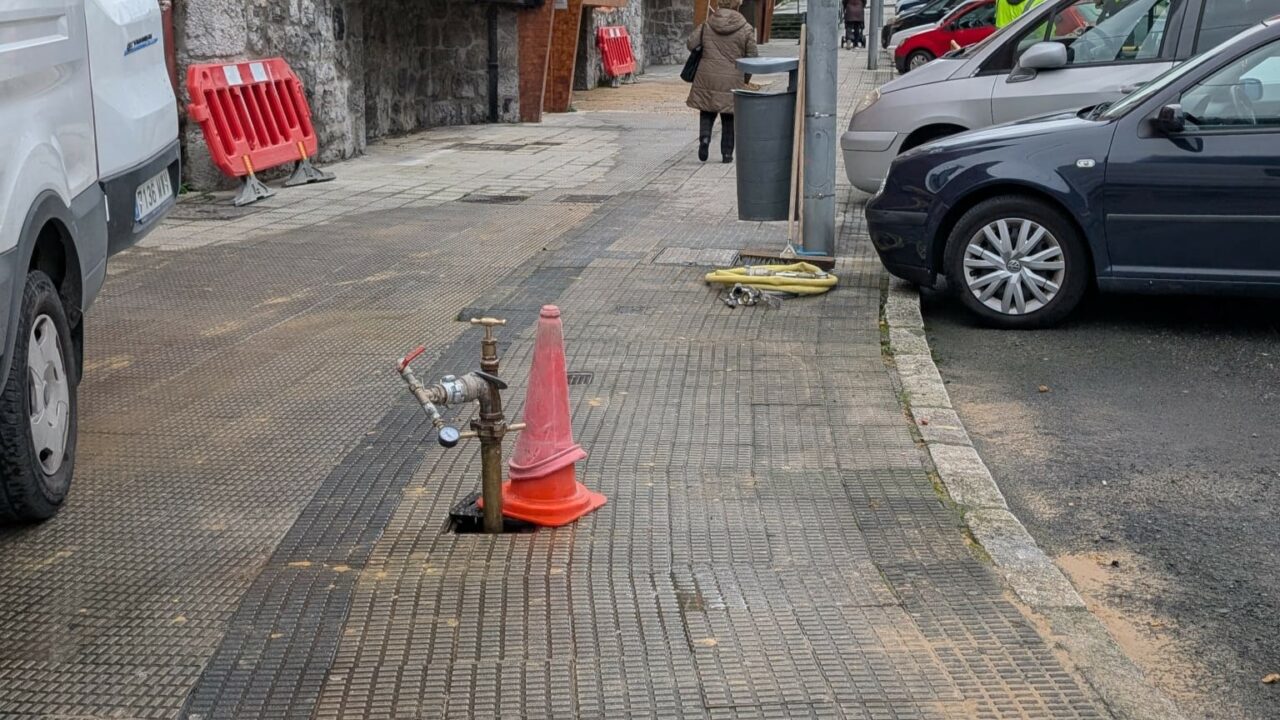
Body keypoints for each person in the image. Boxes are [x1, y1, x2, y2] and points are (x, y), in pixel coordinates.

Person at [686, 0, 758, 163]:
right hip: (733, 77)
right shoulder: (745, 27)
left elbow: (691, 43)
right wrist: (745, 78)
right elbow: (752, 56)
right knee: (729, 116)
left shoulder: (707, 24)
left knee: (707, 110)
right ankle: (727, 153)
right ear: (736, 5)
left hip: (707, 75)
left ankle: (704, 139)